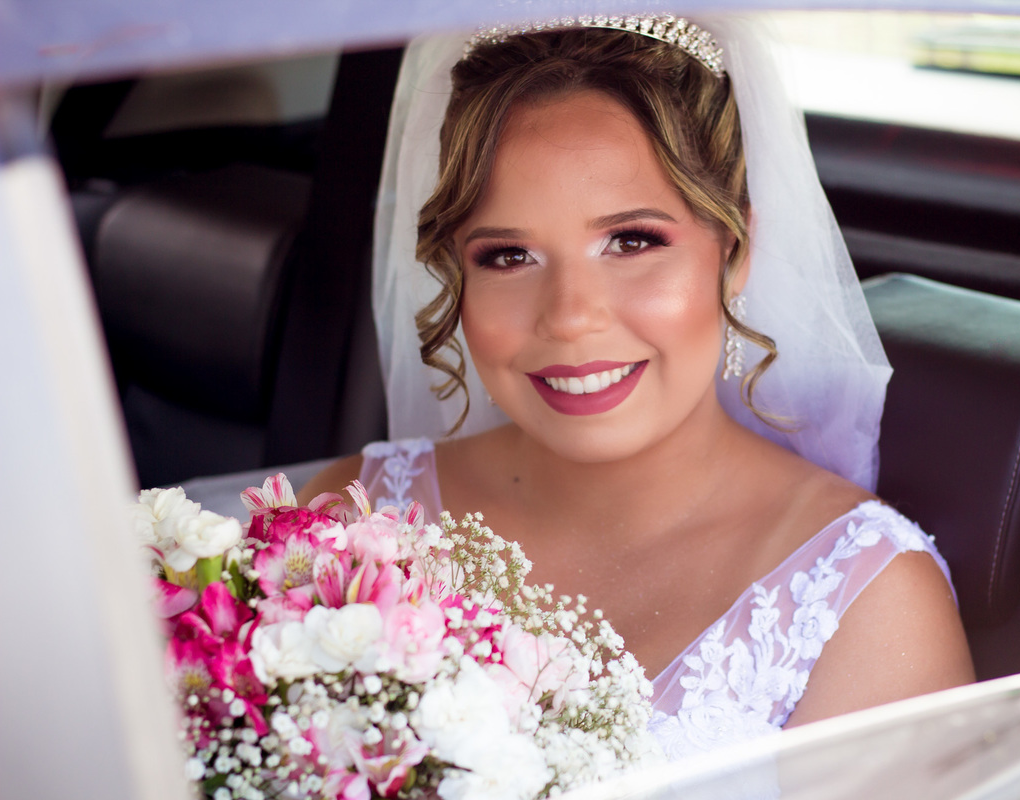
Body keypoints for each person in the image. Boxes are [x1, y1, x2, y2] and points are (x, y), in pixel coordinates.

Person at [301, 15, 974, 760]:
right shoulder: (348, 525)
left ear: (735, 251)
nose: (569, 318)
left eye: (631, 241)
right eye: (508, 255)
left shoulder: (863, 603)